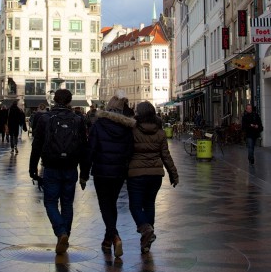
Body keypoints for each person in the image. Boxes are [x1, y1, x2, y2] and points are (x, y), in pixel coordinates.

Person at [29, 88, 89, 255]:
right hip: (71, 167)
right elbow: (85, 148)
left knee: (50, 202)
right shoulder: (78, 119)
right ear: (70, 102)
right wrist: (84, 173)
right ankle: (65, 236)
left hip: (51, 166)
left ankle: (60, 232)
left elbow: (37, 145)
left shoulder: (45, 119)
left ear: (54, 100)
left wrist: (32, 168)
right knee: (67, 203)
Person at [85, 94, 135, 258]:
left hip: (101, 171)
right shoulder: (127, 128)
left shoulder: (99, 125)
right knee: (111, 204)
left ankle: (114, 236)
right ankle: (107, 241)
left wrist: (84, 174)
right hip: (119, 172)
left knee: (105, 205)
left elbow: (90, 149)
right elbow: (130, 152)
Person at [127, 101, 179, 254]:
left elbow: (127, 152)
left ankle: (145, 229)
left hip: (136, 174)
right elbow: (166, 156)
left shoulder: (133, 130)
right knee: (149, 204)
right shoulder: (160, 132)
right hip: (156, 175)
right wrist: (173, 174)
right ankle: (146, 242)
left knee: (135, 206)